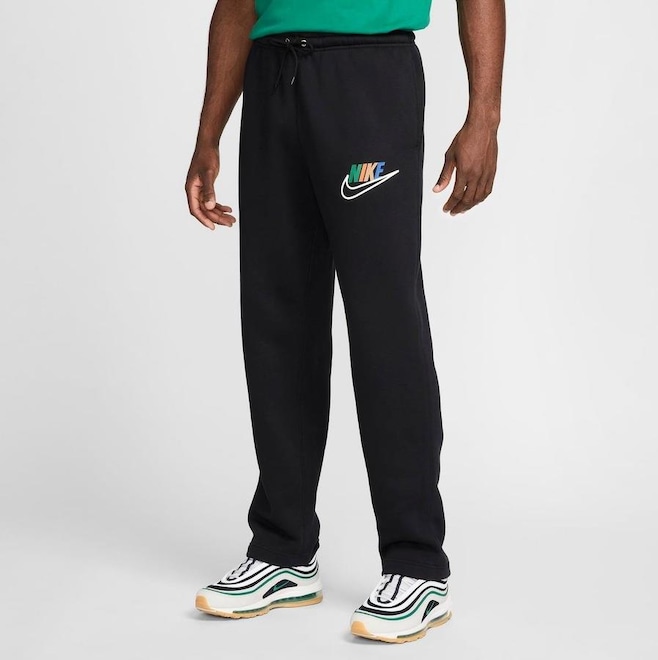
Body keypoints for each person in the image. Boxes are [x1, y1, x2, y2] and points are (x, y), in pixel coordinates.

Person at [186, 0, 504, 644]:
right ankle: (283, 550)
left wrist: (484, 116)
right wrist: (208, 135)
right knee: (277, 319)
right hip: (271, 81)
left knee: (385, 321)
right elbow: (236, 6)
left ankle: (417, 562)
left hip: (368, 79)